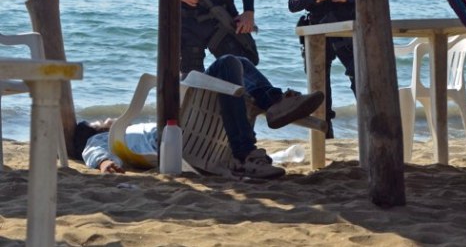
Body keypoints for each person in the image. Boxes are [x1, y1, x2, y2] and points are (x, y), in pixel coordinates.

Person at [73, 55, 324, 179]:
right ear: (94, 131)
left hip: (199, 132)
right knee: (228, 63)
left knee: (239, 62)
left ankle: (274, 102)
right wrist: (104, 163)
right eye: (99, 123)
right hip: (184, 138)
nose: (106, 120)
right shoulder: (101, 139)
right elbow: (93, 152)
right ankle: (253, 138)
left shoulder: (127, 132)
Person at [288, 0, 356, 138]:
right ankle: (324, 133)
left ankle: (369, 124)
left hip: (346, 32)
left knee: (360, 78)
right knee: (319, 86)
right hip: (317, 33)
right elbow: (293, 3)